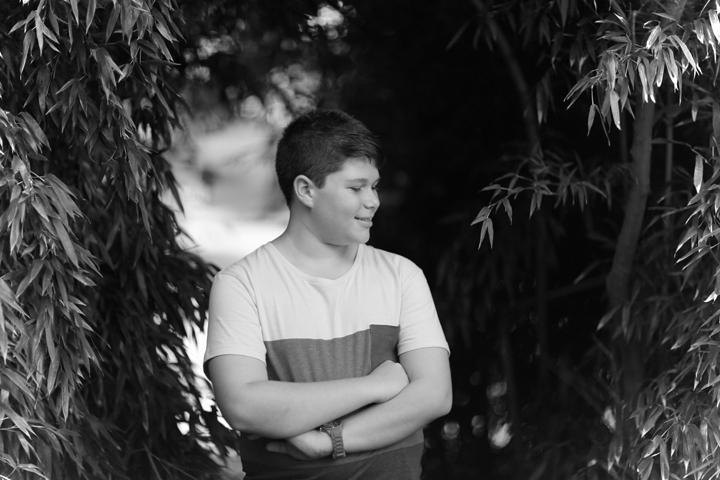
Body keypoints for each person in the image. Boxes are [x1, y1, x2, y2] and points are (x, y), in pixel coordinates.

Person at [204, 109, 452, 479]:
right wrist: (374, 386)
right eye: (356, 188)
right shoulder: (241, 284)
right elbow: (243, 406)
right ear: (306, 190)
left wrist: (330, 441)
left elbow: (434, 395)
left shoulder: (401, 276)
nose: (373, 201)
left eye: (374, 186)